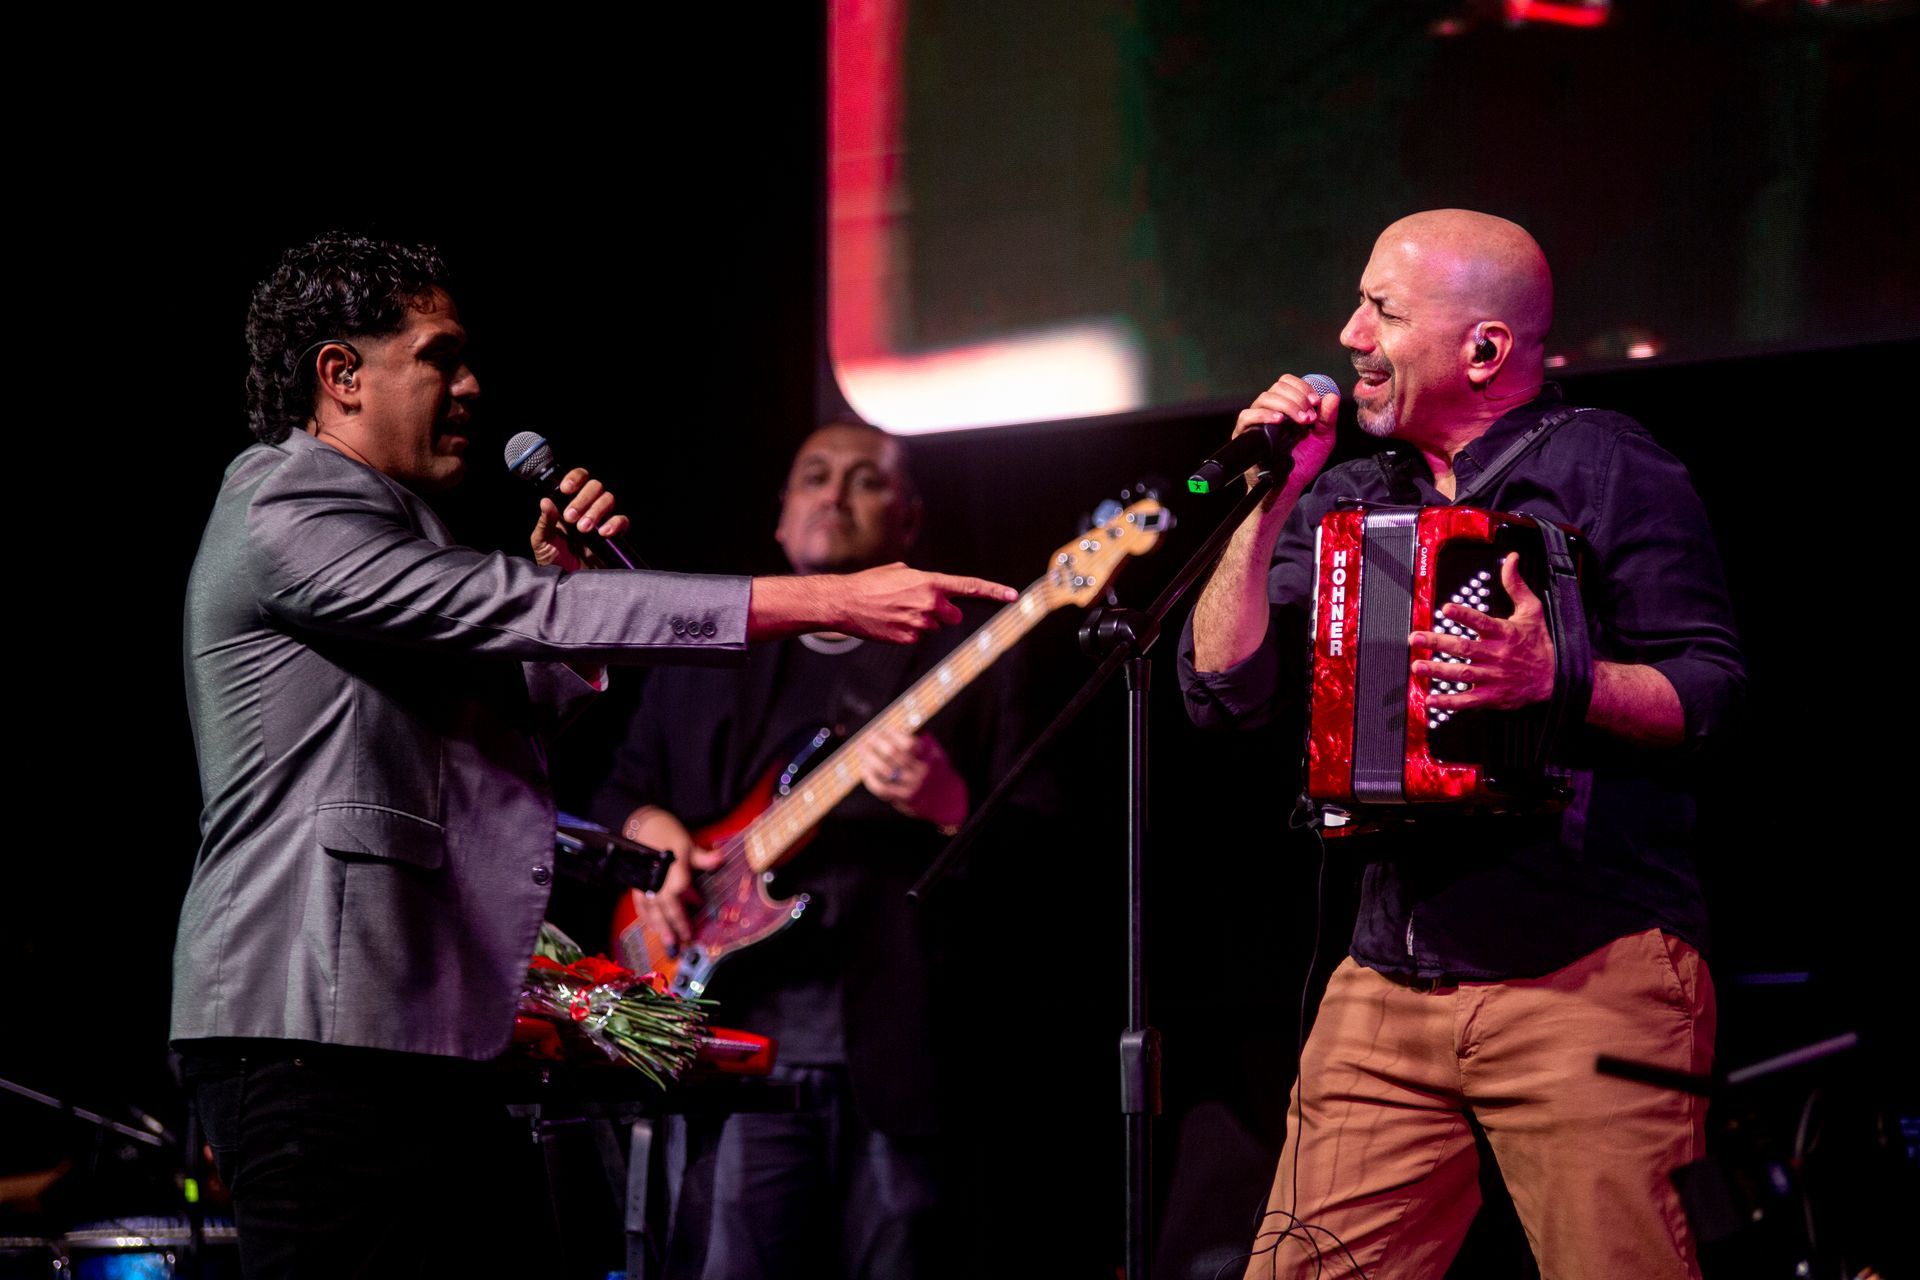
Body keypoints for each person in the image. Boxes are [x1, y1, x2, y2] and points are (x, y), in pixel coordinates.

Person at [170, 233, 1016, 1277]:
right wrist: (825, 600)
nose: (473, 385)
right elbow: (515, 604)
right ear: (340, 376)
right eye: (441, 356)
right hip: (314, 1028)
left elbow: (491, 702)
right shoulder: (283, 503)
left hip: (422, 1028)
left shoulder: (402, 532)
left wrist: (562, 621)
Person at [1181, 209, 1744, 1279]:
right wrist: (1269, 503)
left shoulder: (1611, 467)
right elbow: (1222, 686)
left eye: (1382, 310)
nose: (1349, 335)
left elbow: (1712, 690)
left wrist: (1557, 679)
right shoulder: (1347, 494)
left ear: (1483, 348)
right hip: (1387, 978)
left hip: (1590, 970)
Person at [594, 420, 1042, 1280]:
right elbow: (616, 794)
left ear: (910, 524)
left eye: (866, 480)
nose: (835, 494)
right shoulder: (704, 654)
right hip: (727, 1042)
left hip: (907, 1060)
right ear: (779, 517)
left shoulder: (971, 659)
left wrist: (952, 806)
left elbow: (1051, 849)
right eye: (815, 475)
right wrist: (654, 838)